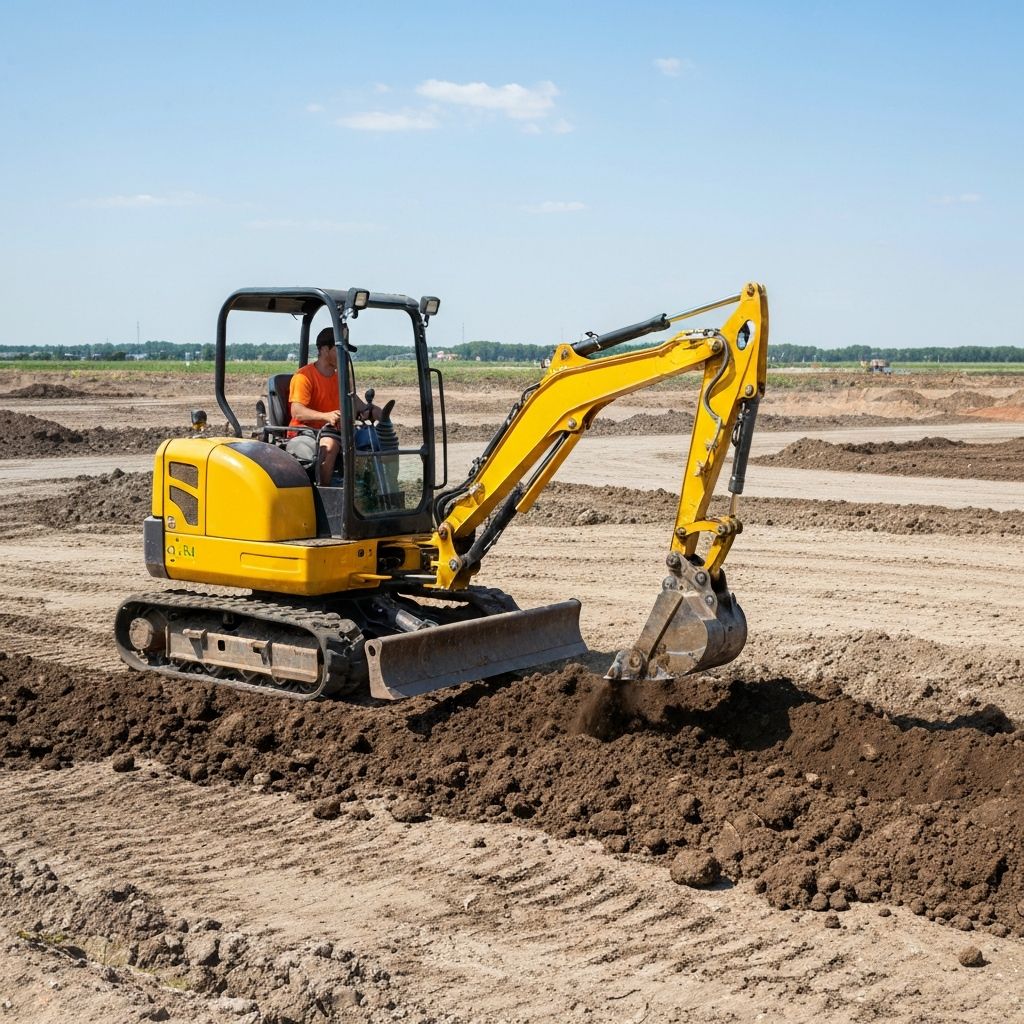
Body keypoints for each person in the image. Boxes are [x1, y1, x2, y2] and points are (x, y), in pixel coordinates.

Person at [288, 327, 382, 485]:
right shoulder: (304, 376)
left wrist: (371, 410)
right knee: (330, 446)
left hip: (337, 430)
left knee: (374, 437)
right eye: (339, 349)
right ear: (325, 349)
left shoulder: (341, 377)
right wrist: (325, 416)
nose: (344, 355)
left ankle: (370, 492)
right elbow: (297, 412)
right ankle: (326, 498)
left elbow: (357, 403)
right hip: (308, 431)